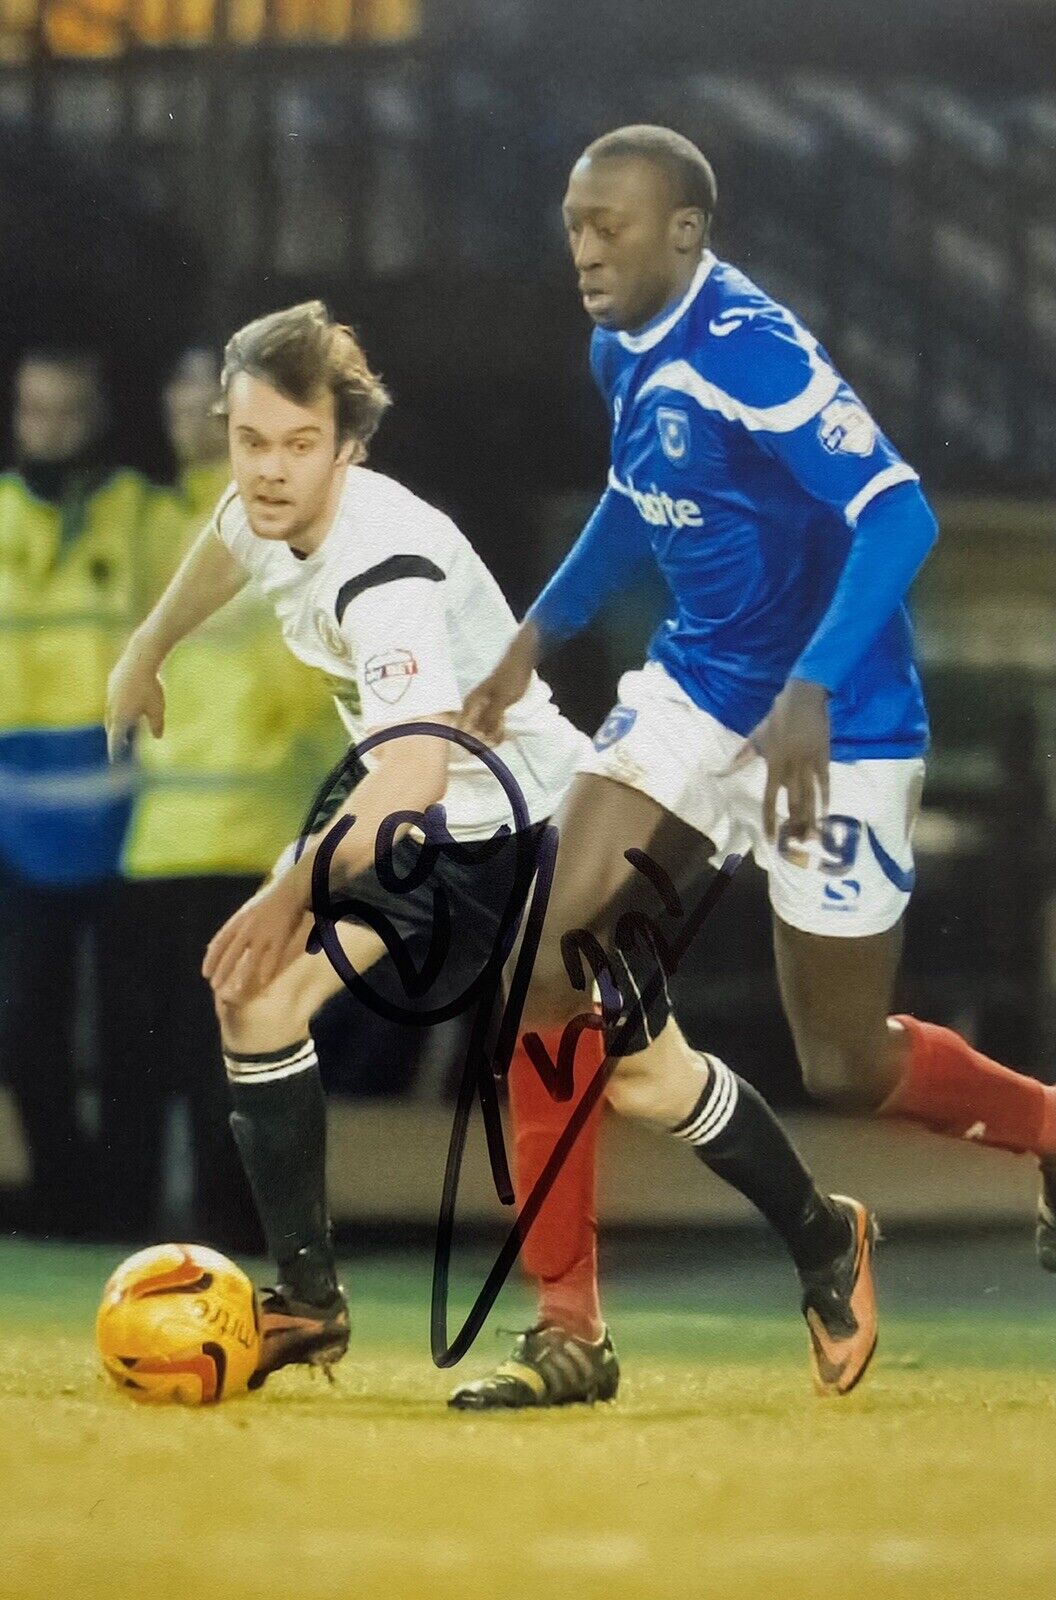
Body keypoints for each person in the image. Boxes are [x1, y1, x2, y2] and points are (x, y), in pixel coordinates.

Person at [106, 301, 877, 1398]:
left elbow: (411, 774)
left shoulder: (388, 575)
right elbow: (226, 540)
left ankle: (823, 1238)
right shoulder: (265, 504)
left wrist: (290, 889)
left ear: (352, 445)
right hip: (425, 843)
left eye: (298, 445)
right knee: (258, 1000)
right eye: (250, 440)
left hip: (542, 838)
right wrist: (146, 647)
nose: (268, 470)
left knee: (648, 1085)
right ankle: (311, 1304)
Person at [453, 123, 1056, 1406]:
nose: (583, 250)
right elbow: (635, 499)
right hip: (695, 693)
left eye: (608, 225)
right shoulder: (620, 348)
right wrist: (531, 640)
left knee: (845, 1056)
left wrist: (812, 689)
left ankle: (1045, 1129)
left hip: (837, 720)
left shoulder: (756, 352)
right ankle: (571, 1330)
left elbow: (901, 510)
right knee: (547, 970)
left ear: (686, 231)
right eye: (572, 225)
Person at [94, 348, 345, 1248]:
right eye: (181, 398)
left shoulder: (278, 523)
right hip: (165, 837)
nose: (189, 417)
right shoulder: (154, 519)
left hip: (257, 841)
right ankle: (158, 1232)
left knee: (231, 1055)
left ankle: (231, 1232)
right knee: (164, 1053)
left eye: (209, 405)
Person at [0, 349, 154, 1236]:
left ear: (95, 418)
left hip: (131, 819)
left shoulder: (141, 515)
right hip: (20, 825)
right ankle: (63, 1194)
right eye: (33, 411)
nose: (47, 428)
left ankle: (125, 1207)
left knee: (130, 1032)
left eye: (65, 411)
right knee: (25, 1026)